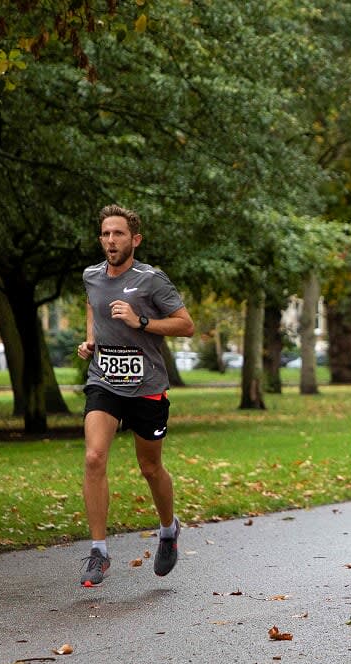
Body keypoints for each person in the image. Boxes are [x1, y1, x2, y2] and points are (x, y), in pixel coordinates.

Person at [76, 205, 196, 587]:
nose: (111, 241)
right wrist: (91, 340)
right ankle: (99, 551)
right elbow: (92, 307)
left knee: (150, 468)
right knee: (94, 457)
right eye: (106, 234)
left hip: (146, 387)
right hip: (104, 381)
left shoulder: (152, 280)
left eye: (119, 234)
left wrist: (140, 321)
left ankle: (167, 530)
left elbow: (186, 325)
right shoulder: (91, 276)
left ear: (135, 239)